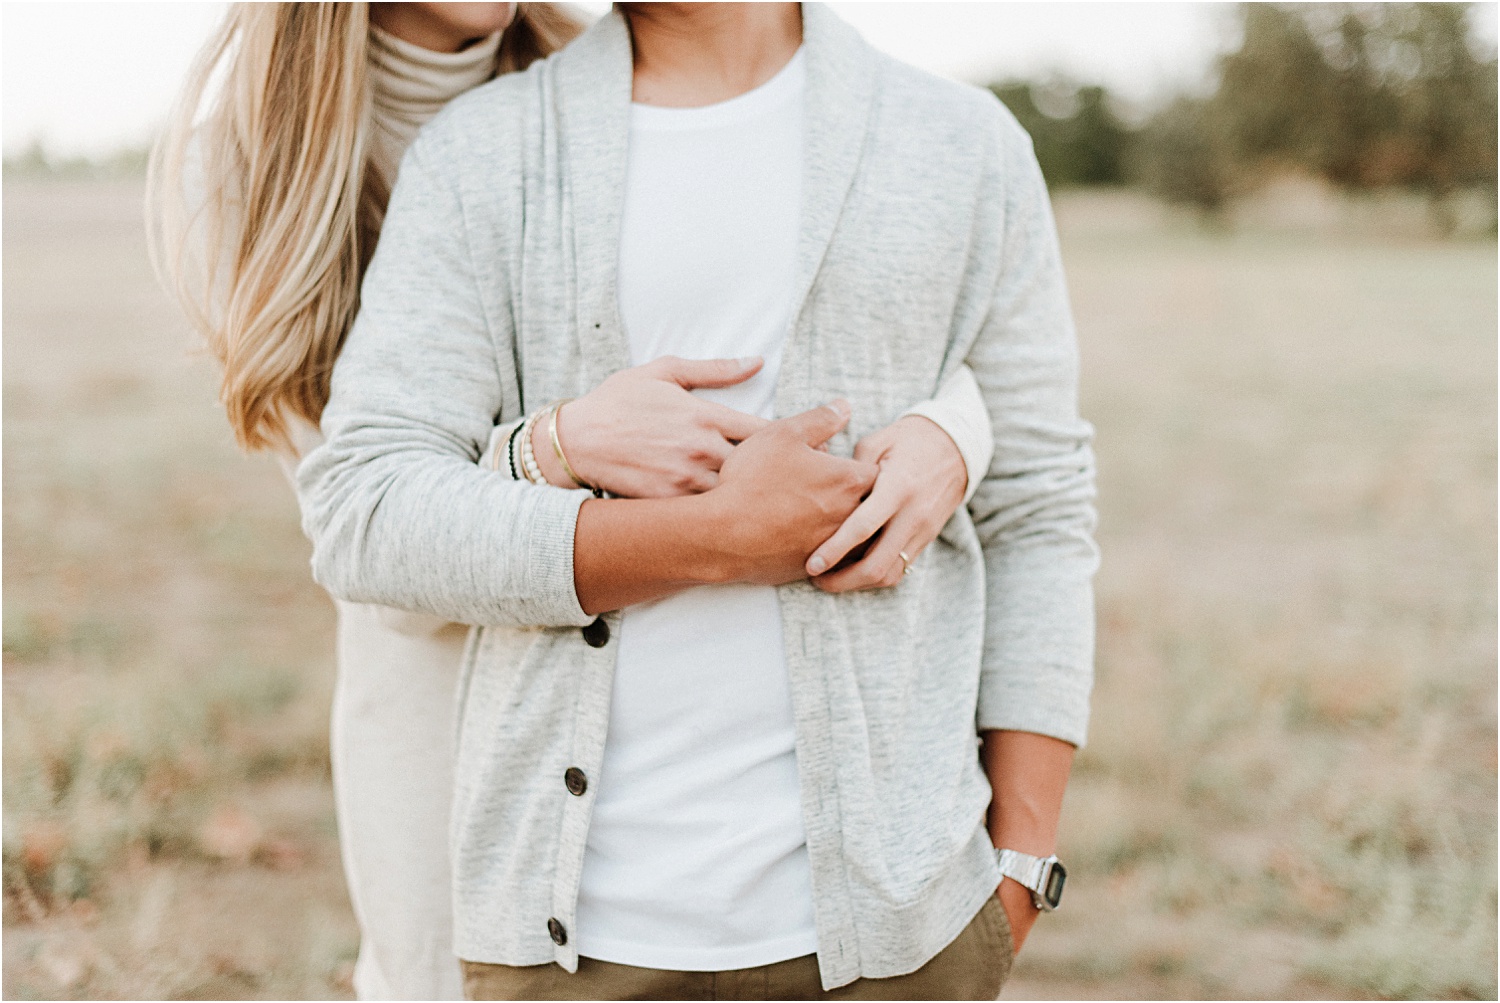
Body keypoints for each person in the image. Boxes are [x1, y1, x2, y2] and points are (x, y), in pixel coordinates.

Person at [148, 3, 995, 1000]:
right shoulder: (245, 172)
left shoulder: (623, 75)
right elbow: (382, 560)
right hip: (452, 723)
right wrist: (556, 447)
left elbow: (828, 351)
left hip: (695, 744)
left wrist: (955, 432)